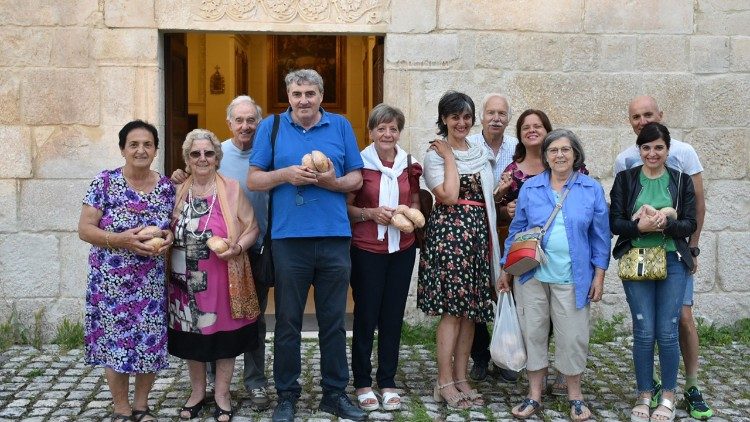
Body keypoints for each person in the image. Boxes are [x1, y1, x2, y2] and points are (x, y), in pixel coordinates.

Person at [247, 69, 367, 422]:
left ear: (321, 95)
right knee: (287, 322)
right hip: (288, 240)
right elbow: (254, 179)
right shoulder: (270, 127)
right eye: (297, 93)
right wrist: (286, 174)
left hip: (333, 237)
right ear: (288, 95)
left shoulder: (341, 126)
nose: (303, 100)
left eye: (310, 93)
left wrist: (331, 182)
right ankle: (286, 395)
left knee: (333, 321)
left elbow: (357, 177)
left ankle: (334, 393)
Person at [498, 129, 610, 421]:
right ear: (545, 156)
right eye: (553, 150)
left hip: (573, 276)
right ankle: (534, 394)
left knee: (572, 337)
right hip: (531, 276)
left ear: (575, 154)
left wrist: (599, 275)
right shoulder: (532, 188)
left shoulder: (590, 188)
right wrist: (504, 269)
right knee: (533, 333)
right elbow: (516, 230)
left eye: (565, 150)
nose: (559, 155)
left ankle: (575, 395)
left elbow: (600, 237)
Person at [614, 95, 712, 419]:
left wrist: (669, 225)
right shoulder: (625, 174)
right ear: (638, 149)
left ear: (668, 149)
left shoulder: (681, 175)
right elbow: (615, 222)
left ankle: (671, 395)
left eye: (658, 147)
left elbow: (691, 218)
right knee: (643, 330)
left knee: (671, 328)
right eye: (646, 148)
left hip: (672, 260)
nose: (652, 153)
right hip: (637, 259)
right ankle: (645, 394)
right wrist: (638, 226)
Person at [172, 95, 271, 410]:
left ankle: (242, 388)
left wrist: (239, 246)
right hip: (189, 274)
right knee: (199, 329)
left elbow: (252, 223)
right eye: (196, 153)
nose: (203, 158)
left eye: (208, 153)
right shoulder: (181, 186)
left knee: (240, 326)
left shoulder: (257, 163)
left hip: (239, 262)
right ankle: (205, 389)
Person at [78, 120, 175, 422]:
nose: (141, 150)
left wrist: (169, 238)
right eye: (133, 144)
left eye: (147, 144)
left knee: (149, 341)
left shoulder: (167, 188)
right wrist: (122, 240)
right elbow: (84, 229)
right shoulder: (104, 182)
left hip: (150, 281)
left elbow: (171, 228)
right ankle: (121, 408)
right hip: (110, 283)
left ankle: (142, 406)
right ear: (122, 149)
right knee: (114, 344)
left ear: (156, 149)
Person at [418, 91, 501, 409]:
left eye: (467, 117)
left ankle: (461, 377)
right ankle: (444, 382)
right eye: (455, 117)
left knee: (472, 314)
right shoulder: (436, 155)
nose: (462, 122)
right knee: (453, 313)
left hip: (478, 236)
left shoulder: (479, 150)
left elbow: (485, 195)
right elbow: (449, 195)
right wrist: (451, 158)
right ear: (444, 119)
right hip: (450, 238)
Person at [347, 104, 422, 412]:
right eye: (381, 128)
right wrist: (370, 213)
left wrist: (409, 214)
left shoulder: (409, 164)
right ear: (371, 132)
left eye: (393, 128)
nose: (388, 134)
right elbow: (345, 208)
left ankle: (387, 380)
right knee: (366, 315)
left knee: (392, 316)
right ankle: (363, 382)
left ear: (399, 132)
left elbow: (415, 202)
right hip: (366, 250)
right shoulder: (359, 164)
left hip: (401, 251)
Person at [465, 93, 519, 383]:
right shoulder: (469, 145)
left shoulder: (517, 148)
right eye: (491, 113)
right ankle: (481, 357)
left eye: (501, 113)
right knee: (476, 295)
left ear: (508, 118)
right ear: (481, 117)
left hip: (509, 230)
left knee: (508, 293)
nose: (496, 118)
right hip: (477, 228)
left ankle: (507, 355)